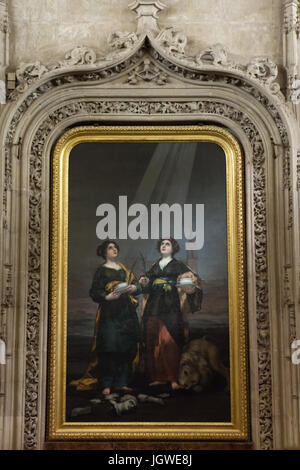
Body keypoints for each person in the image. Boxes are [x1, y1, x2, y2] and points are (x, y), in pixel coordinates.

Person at [71, 240, 141, 396]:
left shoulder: (124, 269)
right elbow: (94, 292)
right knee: (109, 347)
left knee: (125, 346)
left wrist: (134, 287)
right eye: (110, 248)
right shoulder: (102, 271)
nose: (114, 249)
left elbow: (136, 286)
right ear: (104, 252)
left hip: (126, 312)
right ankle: (106, 384)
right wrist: (107, 297)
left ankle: (121, 382)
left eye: (115, 247)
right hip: (109, 312)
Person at [139, 238, 202, 390]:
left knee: (170, 342)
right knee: (153, 342)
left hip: (170, 306)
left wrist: (191, 288)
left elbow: (193, 280)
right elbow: (146, 286)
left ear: (173, 248)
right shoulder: (155, 265)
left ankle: (173, 378)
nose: (164, 246)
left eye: (167, 244)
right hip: (153, 306)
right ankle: (158, 377)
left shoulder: (178, 265)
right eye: (162, 244)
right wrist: (144, 281)